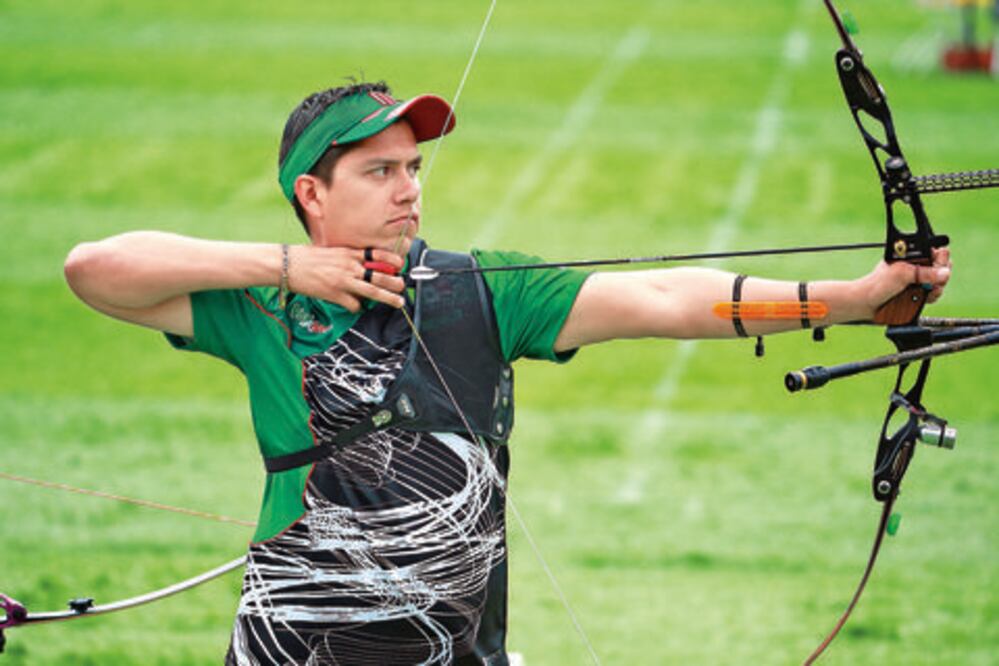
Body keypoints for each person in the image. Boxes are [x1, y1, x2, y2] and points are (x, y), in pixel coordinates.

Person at [63, 81, 951, 665]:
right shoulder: (256, 307)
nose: (409, 188)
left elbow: (669, 299)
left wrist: (849, 298)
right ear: (312, 195)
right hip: (297, 645)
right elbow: (93, 268)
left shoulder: (483, 290)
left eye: (413, 167)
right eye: (379, 171)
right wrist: (284, 268)